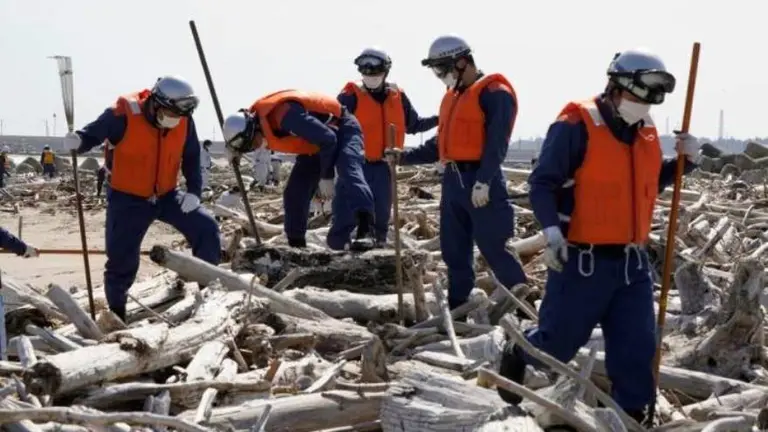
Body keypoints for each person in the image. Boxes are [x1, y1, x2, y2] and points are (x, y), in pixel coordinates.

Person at [497, 48, 701, 424]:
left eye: (654, 99)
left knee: (637, 347)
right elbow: (542, 183)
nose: (646, 105)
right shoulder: (577, 122)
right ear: (618, 87)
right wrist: (552, 234)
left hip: (631, 265)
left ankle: (631, 416)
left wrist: (685, 162)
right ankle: (516, 350)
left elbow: (647, 183)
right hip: (582, 262)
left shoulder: (646, 131)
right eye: (641, 95)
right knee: (556, 345)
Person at [63, 75, 221, 321]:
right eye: (170, 113)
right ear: (156, 103)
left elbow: (191, 156)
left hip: (168, 195)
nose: (174, 120)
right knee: (121, 260)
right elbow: (92, 134)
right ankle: (116, 316)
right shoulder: (123, 113)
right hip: (128, 199)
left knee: (206, 228)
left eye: (179, 116)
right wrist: (78, 140)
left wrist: (194, 192)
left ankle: (209, 296)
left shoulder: (184, 120)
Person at [386, 35, 527, 310]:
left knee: (494, 246)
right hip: (453, 181)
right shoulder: (453, 96)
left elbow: (497, 142)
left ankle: (521, 308)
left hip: (481, 179)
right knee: (454, 250)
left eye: (442, 69)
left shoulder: (495, 92)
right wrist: (403, 157)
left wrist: (484, 181)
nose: (441, 76)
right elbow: (440, 144)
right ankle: (458, 308)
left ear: (462, 62)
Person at [222, 89, 376, 251]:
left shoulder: (286, 117)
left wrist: (326, 176)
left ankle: (366, 229)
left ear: (252, 130)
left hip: (342, 128)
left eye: (253, 144)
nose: (255, 147)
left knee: (348, 170)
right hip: (315, 144)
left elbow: (329, 139)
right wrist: (234, 150)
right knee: (294, 192)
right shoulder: (254, 123)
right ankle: (296, 245)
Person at [338, 47, 439, 244]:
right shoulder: (350, 96)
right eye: (364, 70)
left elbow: (414, 125)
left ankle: (380, 251)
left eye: (374, 70)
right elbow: (335, 128)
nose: (369, 74)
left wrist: (440, 119)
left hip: (385, 166)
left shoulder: (398, 96)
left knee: (382, 214)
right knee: (355, 214)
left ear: (385, 71)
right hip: (356, 165)